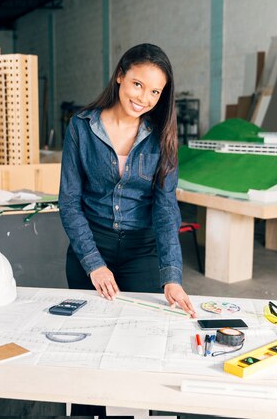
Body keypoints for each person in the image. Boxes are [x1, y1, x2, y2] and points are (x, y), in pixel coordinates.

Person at [59, 43, 197, 318]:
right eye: (138, 84)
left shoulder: (162, 137)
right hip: (91, 244)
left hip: (142, 251)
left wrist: (172, 276)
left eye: (155, 91)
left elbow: (166, 208)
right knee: (88, 327)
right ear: (120, 75)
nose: (144, 98)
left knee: (140, 331)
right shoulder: (81, 127)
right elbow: (70, 202)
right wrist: (93, 263)